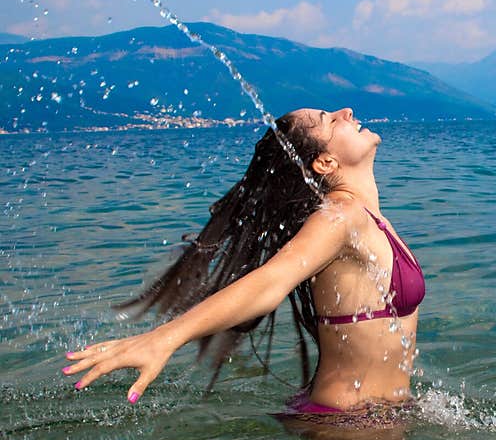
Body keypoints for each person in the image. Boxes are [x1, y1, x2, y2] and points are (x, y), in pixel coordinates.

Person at [62, 107, 425, 414]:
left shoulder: (366, 216)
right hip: (349, 423)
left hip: (376, 418)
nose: (346, 112)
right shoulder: (340, 217)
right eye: (331, 121)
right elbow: (272, 280)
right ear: (324, 162)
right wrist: (164, 339)